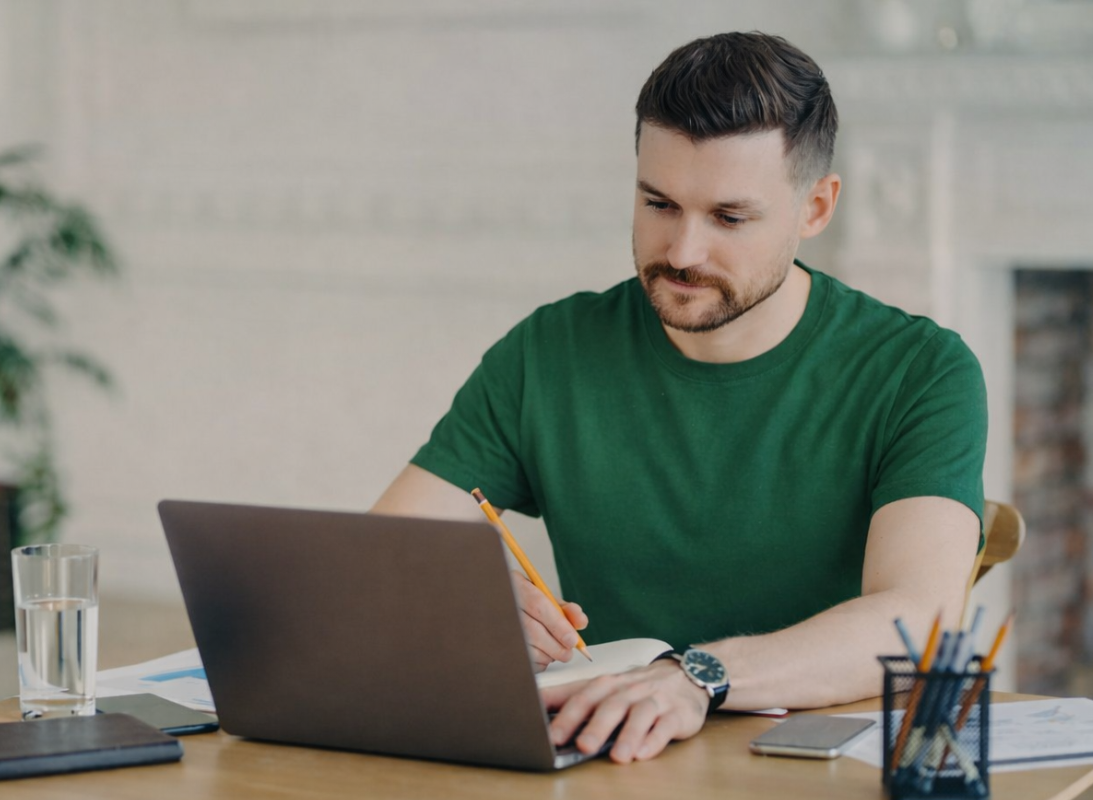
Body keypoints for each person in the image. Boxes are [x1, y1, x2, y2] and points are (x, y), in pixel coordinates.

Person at [373, 31, 986, 764]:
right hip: (610, 757)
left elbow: (918, 620)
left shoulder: (920, 370)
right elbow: (382, 556)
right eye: (659, 203)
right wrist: (463, 598)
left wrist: (697, 676)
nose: (683, 252)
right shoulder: (549, 351)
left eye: (729, 218)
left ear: (816, 207)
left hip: (812, 767)